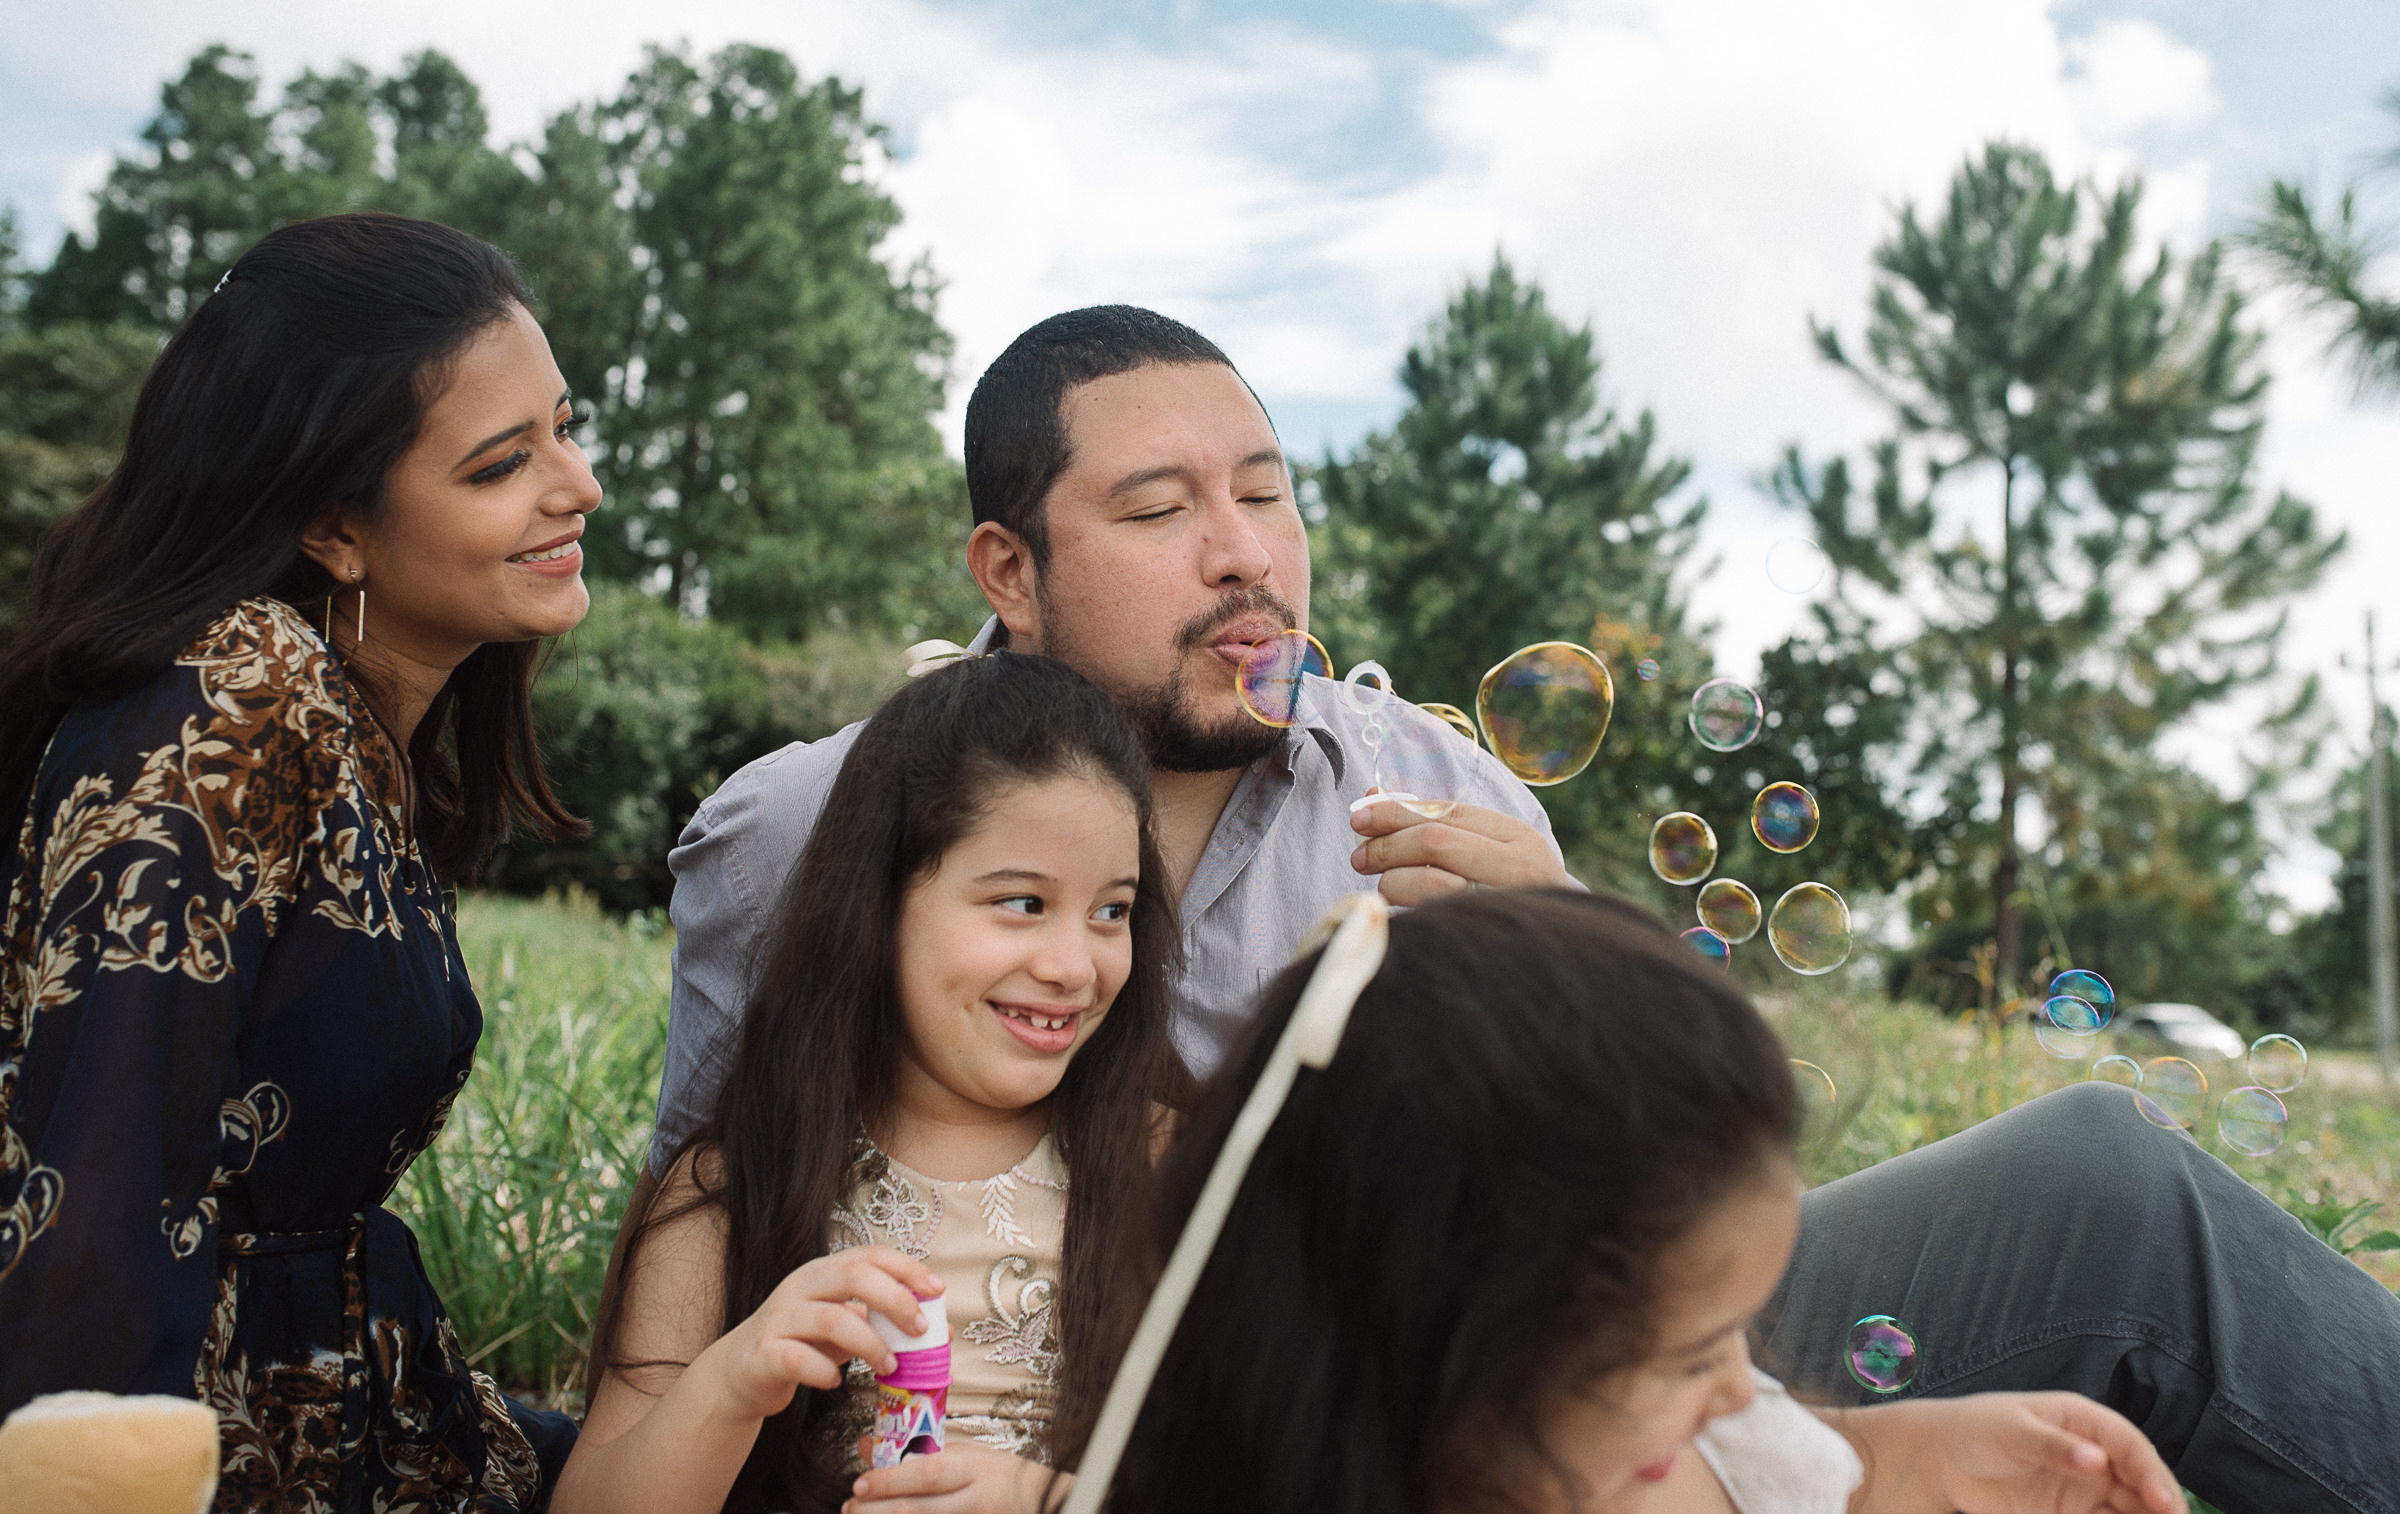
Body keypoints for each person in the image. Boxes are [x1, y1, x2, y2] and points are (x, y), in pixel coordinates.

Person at [657, 303, 2400, 1505]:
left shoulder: (1425, 780)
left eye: (1266, 490)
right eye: (1159, 506)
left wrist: (1558, 942)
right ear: (1007, 568)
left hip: (1549, 1341)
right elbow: (715, 1239)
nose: (1245, 549)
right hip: (1244, 1423)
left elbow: (1648, 1192)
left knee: (2104, 1173)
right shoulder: (807, 825)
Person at [0, 213, 596, 1509]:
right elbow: (93, 1190)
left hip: (360, 1400)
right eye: (504, 462)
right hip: (197, 1454)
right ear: (333, 523)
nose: (579, 484)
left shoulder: (346, 728)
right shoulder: (236, 703)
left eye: (568, 421)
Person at [1100, 887, 2184, 1514]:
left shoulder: (1603, 1465)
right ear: (1445, 1339)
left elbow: (1772, 1467)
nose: (1740, 1390)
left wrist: (1905, 1458)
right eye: (1687, 1352)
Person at [560, 653, 1187, 1514]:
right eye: (1021, 903)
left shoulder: (1173, 1170)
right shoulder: (743, 1187)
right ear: (879, 903)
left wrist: (1048, 1501)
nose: (1074, 965)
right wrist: (734, 1381)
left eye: (1112, 910)